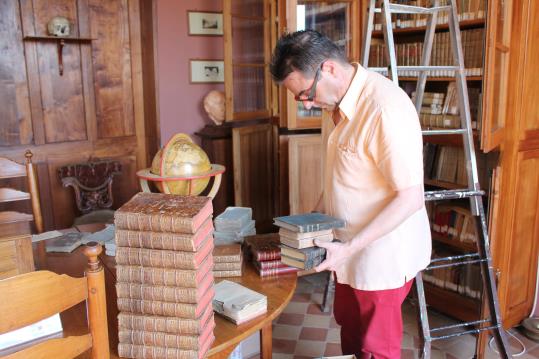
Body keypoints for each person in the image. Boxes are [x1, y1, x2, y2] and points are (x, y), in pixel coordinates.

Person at [270, 30, 432, 359]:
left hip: (381, 254)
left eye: (306, 94)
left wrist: (349, 248)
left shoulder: (384, 109)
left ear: (329, 69)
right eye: (300, 99)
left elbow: (410, 198)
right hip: (346, 248)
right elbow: (338, 180)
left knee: (376, 349)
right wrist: (307, 227)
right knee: (351, 330)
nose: (307, 104)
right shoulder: (335, 104)